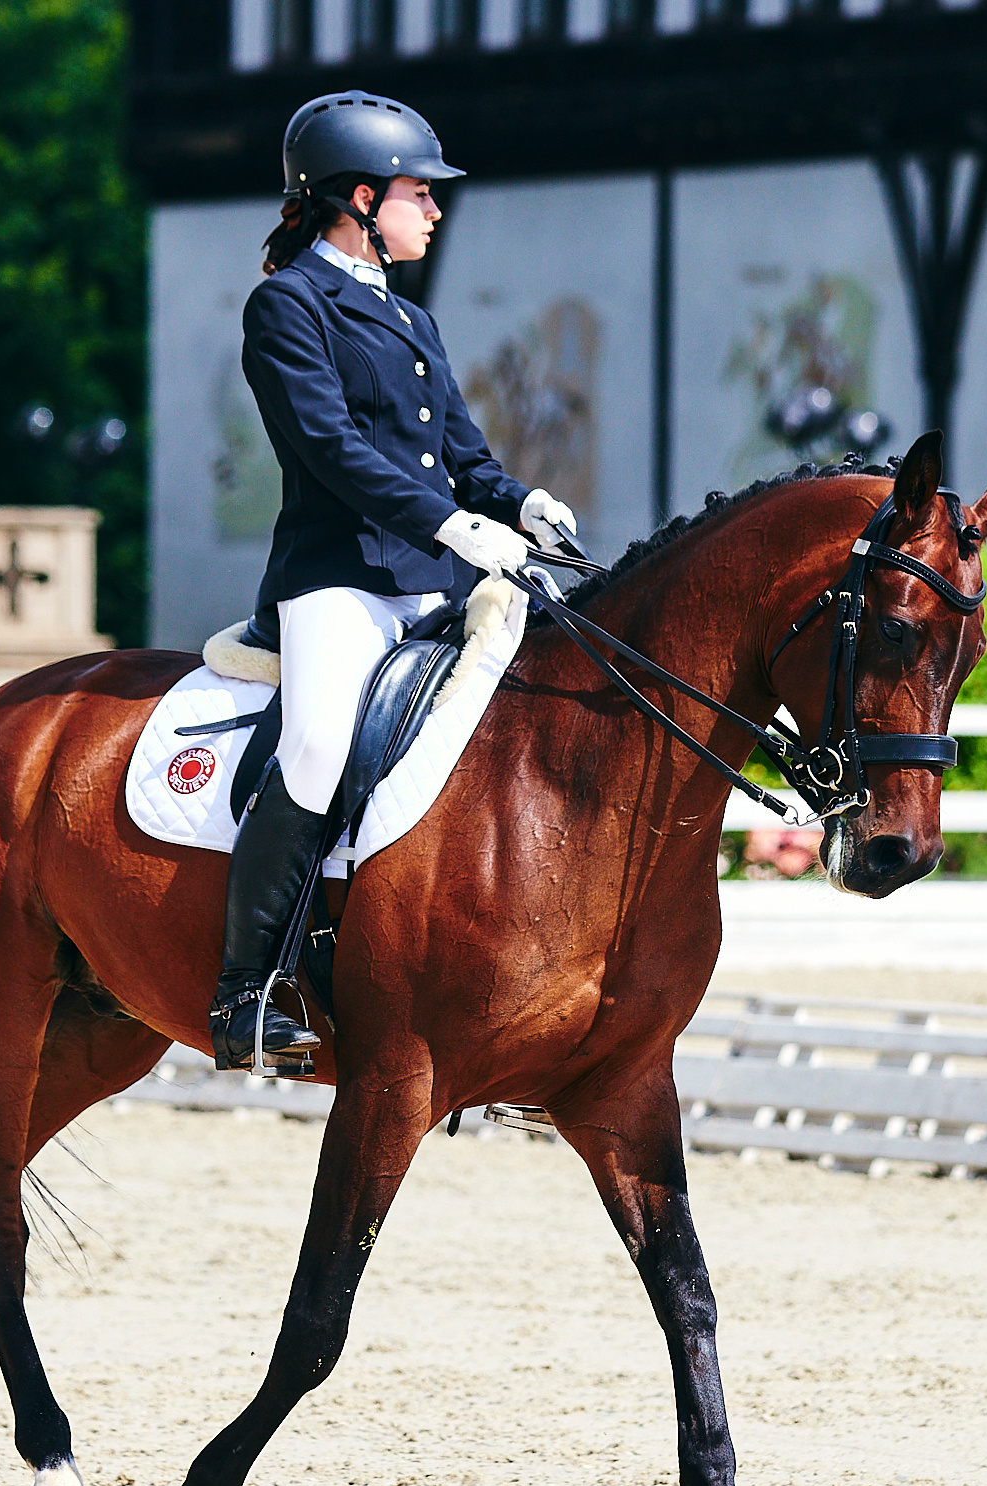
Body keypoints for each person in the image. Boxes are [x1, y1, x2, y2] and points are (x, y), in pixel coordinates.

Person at [212, 89, 578, 1074]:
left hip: (430, 581)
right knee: (319, 746)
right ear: (361, 199)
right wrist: (450, 523)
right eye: (421, 192)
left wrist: (521, 503)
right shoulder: (287, 305)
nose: (435, 209)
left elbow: (464, 456)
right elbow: (328, 446)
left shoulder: (410, 317)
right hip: (336, 580)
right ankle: (246, 992)